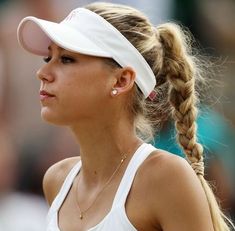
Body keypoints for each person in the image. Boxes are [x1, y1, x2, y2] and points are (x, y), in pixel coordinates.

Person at [16, 2, 234, 231]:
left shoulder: (166, 178)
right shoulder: (56, 180)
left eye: (67, 59)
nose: (43, 73)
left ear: (121, 80)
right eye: (47, 58)